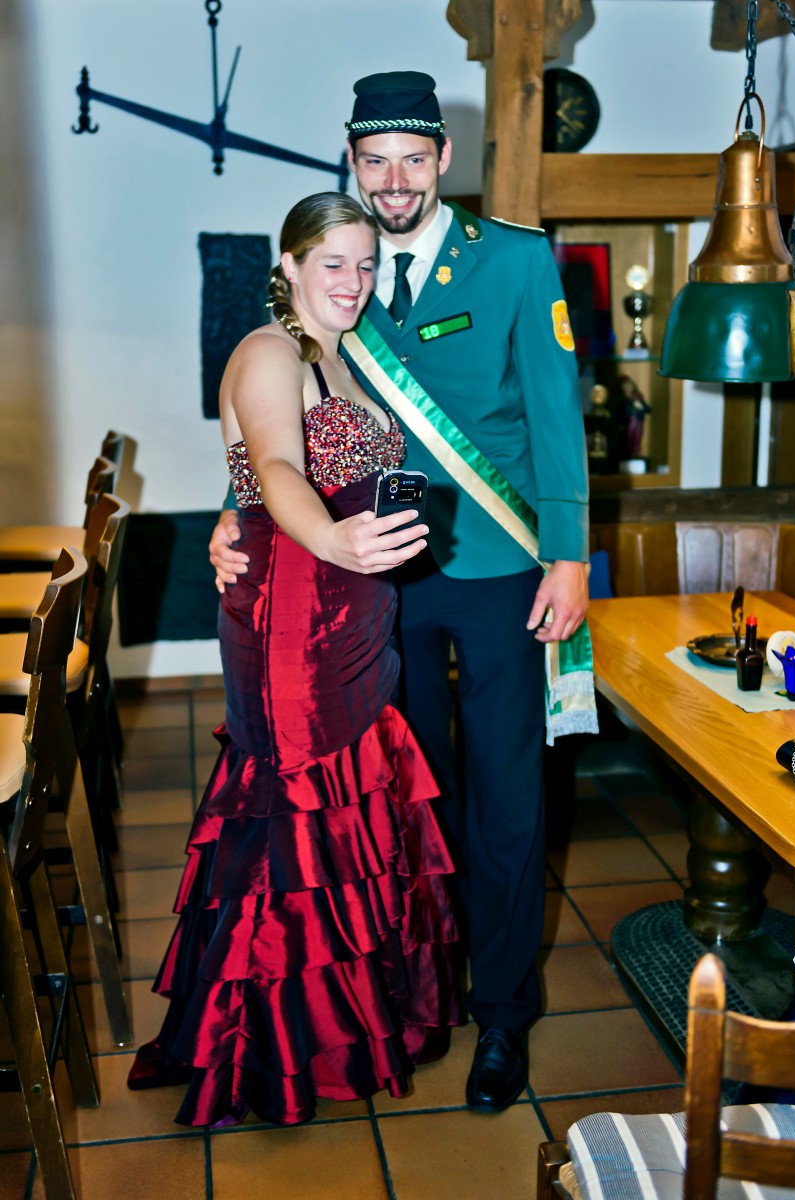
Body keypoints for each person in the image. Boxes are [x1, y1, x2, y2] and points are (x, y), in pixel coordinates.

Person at [210, 72, 592, 1114]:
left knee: (508, 794)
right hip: (374, 586)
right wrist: (234, 513)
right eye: (373, 160)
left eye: (413, 159)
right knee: (408, 797)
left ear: (442, 160)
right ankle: (427, 983)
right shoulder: (339, 267)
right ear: (351, 161)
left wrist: (569, 555)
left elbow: (554, 410)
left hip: (501, 568)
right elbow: (277, 421)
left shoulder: (513, 258)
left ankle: (502, 1013)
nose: (393, 180)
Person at [128, 192, 462, 1127]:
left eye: (366, 263)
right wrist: (335, 540)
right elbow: (274, 465)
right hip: (295, 623)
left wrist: (260, 521)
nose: (353, 281)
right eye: (333, 264)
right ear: (290, 266)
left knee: (352, 806)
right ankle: (264, 1047)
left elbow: (255, 476)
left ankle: (354, 1020)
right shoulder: (270, 351)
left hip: (352, 621)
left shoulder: (340, 352)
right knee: (295, 813)